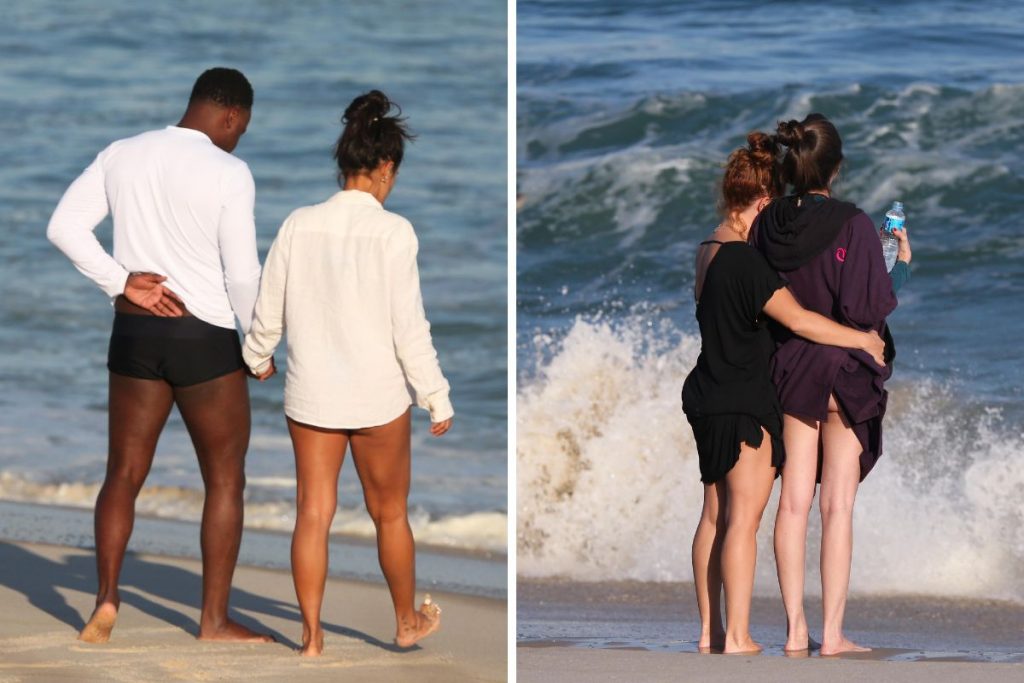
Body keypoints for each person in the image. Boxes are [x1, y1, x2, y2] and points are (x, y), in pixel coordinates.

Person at [46, 67, 271, 644]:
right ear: (231, 116)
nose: (238, 137)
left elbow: (63, 227)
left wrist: (122, 281)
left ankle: (105, 599)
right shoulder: (229, 170)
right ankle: (214, 620)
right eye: (240, 128)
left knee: (122, 472)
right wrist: (260, 343)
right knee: (224, 479)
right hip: (203, 340)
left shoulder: (123, 153)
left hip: (135, 332)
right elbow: (242, 273)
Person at [242, 90, 453, 657]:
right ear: (386, 167)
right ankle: (406, 622)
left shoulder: (297, 224)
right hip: (377, 396)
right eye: (394, 173)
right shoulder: (394, 232)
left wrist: (257, 355)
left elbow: (271, 306)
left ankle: (311, 637)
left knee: (313, 512)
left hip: (311, 394)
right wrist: (435, 395)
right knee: (390, 515)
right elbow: (409, 325)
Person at [683, 132, 886, 655]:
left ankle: (756, 630)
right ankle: (788, 635)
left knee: (753, 511)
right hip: (791, 384)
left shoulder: (731, 241)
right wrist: (888, 287)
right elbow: (831, 312)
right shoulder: (841, 227)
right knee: (794, 512)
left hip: (748, 382)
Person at [751, 113, 910, 655]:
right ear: (835, 169)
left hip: (790, 369)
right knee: (836, 506)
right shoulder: (853, 223)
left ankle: (795, 629)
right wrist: (902, 266)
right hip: (844, 370)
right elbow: (868, 308)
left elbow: (763, 299)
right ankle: (834, 635)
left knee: (792, 503)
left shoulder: (766, 222)